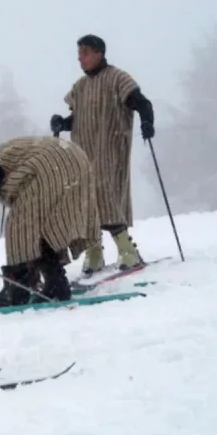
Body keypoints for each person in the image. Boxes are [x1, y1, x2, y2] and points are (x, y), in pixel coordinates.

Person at [50, 34, 156, 278]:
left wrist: (147, 122)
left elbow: (141, 102)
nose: (81, 59)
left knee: (106, 196)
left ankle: (128, 251)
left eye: (85, 53)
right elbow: (77, 118)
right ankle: (94, 252)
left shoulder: (118, 78)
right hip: (83, 151)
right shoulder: (80, 87)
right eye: (79, 54)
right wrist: (62, 122)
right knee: (86, 201)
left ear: (99, 52)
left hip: (110, 148)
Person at [0, 136, 101, 308]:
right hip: (76, 158)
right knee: (47, 225)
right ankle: (56, 284)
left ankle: (17, 289)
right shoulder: (3, 154)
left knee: (20, 225)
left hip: (49, 165)